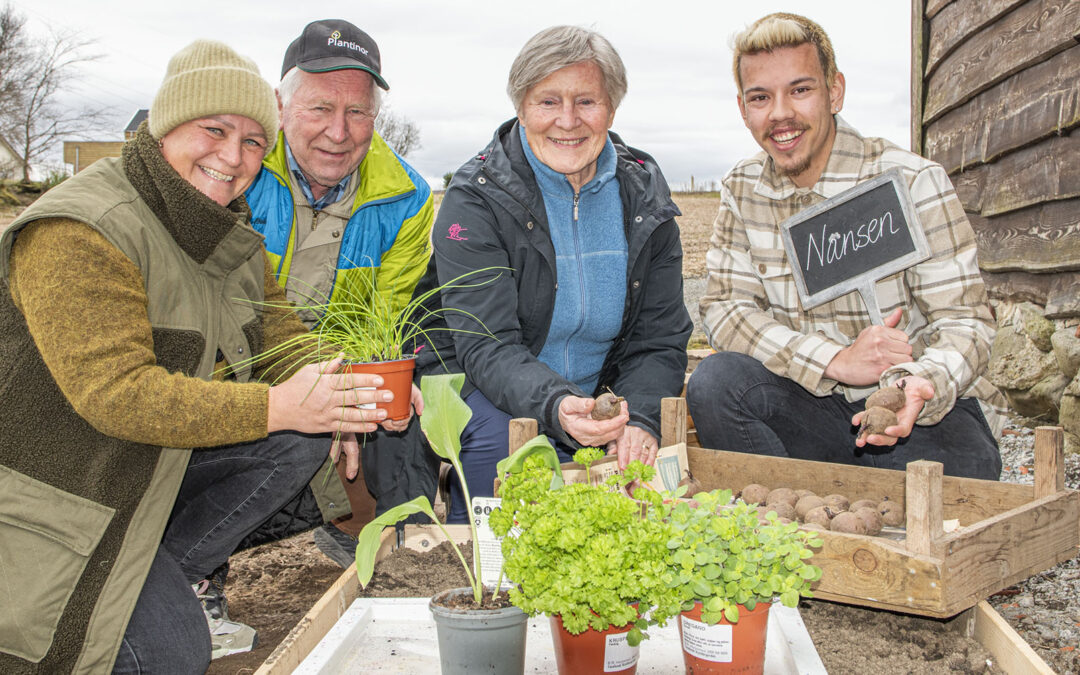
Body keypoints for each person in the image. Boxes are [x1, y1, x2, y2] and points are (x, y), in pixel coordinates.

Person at [0, 40, 411, 673]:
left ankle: (163, 570)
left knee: (298, 438)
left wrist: (351, 395)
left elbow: (286, 344)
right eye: (214, 130)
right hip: (64, 496)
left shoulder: (224, 233)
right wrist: (280, 405)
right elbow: (117, 394)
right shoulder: (82, 228)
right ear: (166, 127)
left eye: (252, 142)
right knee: (167, 655)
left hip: (145, 473)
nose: (233, 156)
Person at [686, 13, 1007, 479]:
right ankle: (782, 522)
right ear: (743, 108)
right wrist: (835, 361)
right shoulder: (744, 189)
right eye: (761, 97)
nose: (780, 114)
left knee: (964, 468)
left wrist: (912, 386)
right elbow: (724, 309)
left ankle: (850, 505)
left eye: (800, 90)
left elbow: (965, 321)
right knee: (716, 384)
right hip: (808, 407)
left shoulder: (911, 181)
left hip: (907, 415)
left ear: (834, 91)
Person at [412, 25, 692, 523]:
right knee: (501, 447)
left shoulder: (643, 193)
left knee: (623, 511)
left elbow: (659, 335)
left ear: (611, 108)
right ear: (521, 107)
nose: (568, 121)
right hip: (481, 382)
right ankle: (481, 555)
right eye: (548, 102)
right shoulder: (477, 196)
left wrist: (641, 417)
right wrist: (558, 405)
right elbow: (486, 346)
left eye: (587, 101)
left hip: (593, 394)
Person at [244, 19, 435, 568]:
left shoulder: (407, 195)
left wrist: (350, 387)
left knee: (407, 391)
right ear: (281, 110)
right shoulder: (242, 170)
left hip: (339, 363)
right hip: (247, 360)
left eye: (357, 113)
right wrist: (310, 389)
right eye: (320, 109)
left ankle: (408, 545)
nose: (339, 131)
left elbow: (386, 317)